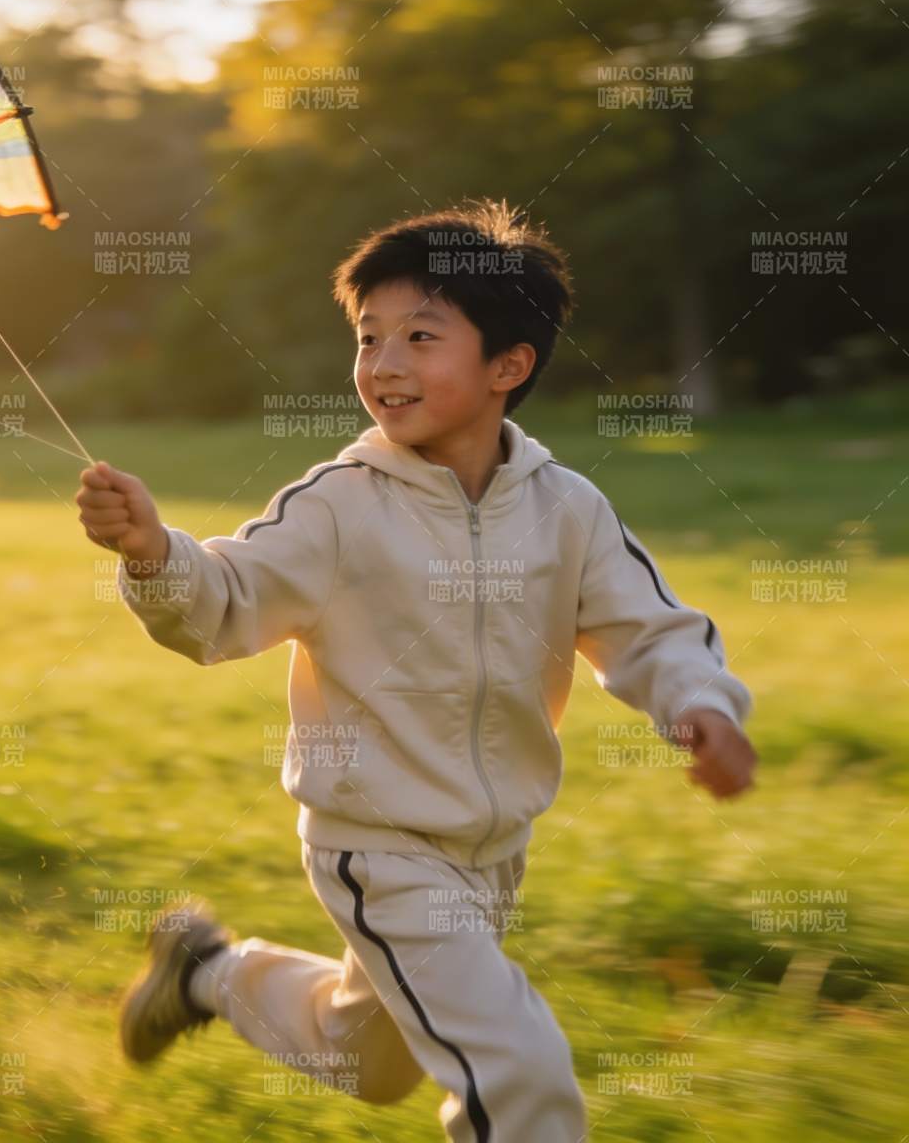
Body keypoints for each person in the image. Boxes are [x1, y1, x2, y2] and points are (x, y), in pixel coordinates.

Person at [73, 198, 757, 1142]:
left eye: (420, 336)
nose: (383, 363)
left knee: (365, 1060)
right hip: (377, 845)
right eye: (368, 337)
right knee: (517, 1072)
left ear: (507, 366)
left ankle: (203, 973)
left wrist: (700, 704)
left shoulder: (567, 509)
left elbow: (648, 630)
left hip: (494, 856)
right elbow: (226, 602)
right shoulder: (340, 505)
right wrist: (155, 555)